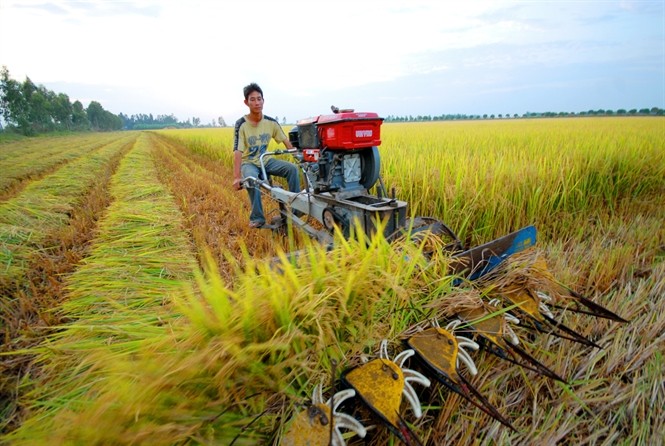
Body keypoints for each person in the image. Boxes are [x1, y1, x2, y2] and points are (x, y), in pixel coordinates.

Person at [233, 83, 301, 228]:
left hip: (266, 160)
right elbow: (238, 151)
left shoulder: (271, 122)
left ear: (263, 100)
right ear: (246, 102)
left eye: (259, 99)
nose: (257, 103)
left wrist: (300, 158)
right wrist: (237, 177)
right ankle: (258, 217)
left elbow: (286, 142)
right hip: (249, 163)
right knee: (252, 180)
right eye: (252, 99)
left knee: (292, 169)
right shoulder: (241, 124)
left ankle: (298, 209)